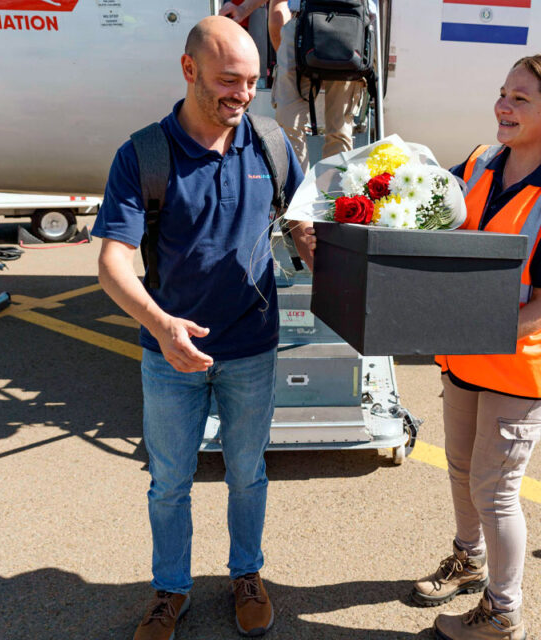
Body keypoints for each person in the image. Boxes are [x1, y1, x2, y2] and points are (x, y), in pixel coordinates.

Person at [92, 16, 312, 640]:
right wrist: (162, 326)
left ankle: (247, 574)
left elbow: (303, 220)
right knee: (169, 482)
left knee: (247, 472)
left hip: (251, 344)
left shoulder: (269, 142)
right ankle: (171, 590)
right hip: (168, 351)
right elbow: (113, 263)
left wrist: (329, 250)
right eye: (226, 81)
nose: (241, 94)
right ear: (188, 70)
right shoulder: (144, 154)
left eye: (250, 81)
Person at [411, 54, 541, 640]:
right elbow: (418, 213)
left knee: (495, 490)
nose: (503, 106)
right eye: (501, 93)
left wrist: (468, 327)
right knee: (463, 469)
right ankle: (468, 562)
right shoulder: (477, 162)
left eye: (520, 99)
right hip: (465, 357)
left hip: (520, 368)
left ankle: (502, 612)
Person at [221, 0, 376, 170]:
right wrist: (242, 9)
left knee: (334, 129)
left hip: (349, 25)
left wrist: (243, 9)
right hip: (315, 25)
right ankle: (296, 190)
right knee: (292, 124)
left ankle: (332, 192)